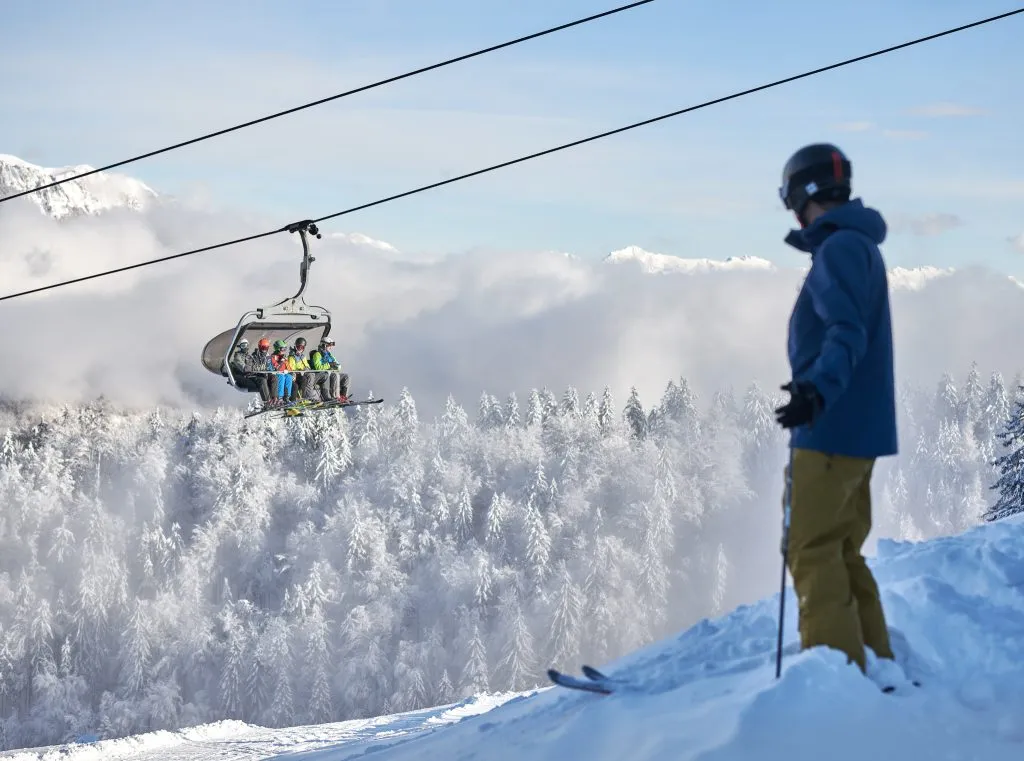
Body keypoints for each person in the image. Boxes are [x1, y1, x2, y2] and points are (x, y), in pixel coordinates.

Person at [773, 143, 903, 689]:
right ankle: (879, 666)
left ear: (803, 197)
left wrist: (815, 395)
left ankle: (836, 686)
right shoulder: (856, 247)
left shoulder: (841, 251)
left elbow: (845, 332)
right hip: (855, 431)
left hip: (831, 431)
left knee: (812, 548)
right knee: (841, 549)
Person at [229, 338, 271, 403]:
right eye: (243, 346)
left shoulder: (250, 356)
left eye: (246, 345)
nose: (245, 347)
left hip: (252, 376)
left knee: (272, 379)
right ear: (240, 347)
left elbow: (255, 366)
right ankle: (267, 402)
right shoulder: (237, 357)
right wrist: (257, 368)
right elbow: (245, 368)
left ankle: (276, 400)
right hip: (243, 377)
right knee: (262, 381)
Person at [310, 338, 350, 403]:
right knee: (334, 375)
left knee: (345, 376)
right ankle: (335, 396)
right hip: (322, 375)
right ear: (324, 345)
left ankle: (343, 396)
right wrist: (329, 365)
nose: (331, 347)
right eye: (329, 345)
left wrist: (335, 366)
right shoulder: (317, 354)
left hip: (330, 373)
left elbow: (338, 366)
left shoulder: (329, 355)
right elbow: (318, 367)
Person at [270, 339, 294, 403]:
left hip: (283, 373)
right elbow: (276, 368)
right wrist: (281, 361)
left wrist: (291, 372)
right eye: (282, 349)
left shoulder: (283, 357)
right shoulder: (273, 357)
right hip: (276, 374)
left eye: (285, 349)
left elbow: (289, 368)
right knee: (281, 377)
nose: (284, 351)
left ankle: (287, 396)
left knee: (289, 377)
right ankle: (280, 397)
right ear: (277, 349)